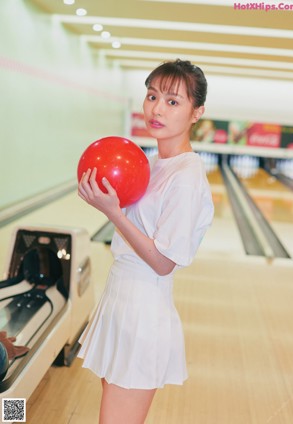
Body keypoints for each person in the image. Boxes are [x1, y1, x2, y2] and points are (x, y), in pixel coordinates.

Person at [77, 59, 214, 424]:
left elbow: (163, 261)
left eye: (173, 101)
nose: (156, 108)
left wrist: (113, 212)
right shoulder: (150, 163)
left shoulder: (186, 176)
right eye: (152, 96)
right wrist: (104, 200)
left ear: (197, 112)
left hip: (143, 312)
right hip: (119, 301)